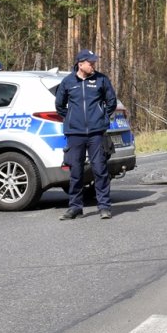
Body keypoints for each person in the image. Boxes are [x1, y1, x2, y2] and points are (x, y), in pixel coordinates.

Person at [55, 49, 118, 219]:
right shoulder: (68, 82)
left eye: (94, 62)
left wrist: (102, 118)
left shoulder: (101, 79)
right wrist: (71, 118)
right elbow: (59, 105)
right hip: (75, 133)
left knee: (100, 169)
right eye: (90, 63)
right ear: (80, 64)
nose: (93, 65)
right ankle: (75, 207)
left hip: (96, 133)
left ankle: (104, 206)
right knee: (76, 171)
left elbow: (111, 101)